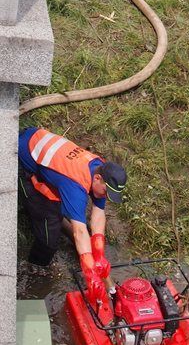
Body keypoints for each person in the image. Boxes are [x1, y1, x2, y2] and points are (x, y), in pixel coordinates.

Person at [18, 126, 127, 304]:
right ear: (98, 179)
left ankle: (59, 218)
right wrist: (90, 272)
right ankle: (35, 268)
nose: (106, 197)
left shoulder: (97, 168)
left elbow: (98, 214)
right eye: (107, 192)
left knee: (61, 208)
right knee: (48, 238)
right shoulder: (75, 186)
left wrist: (98, 251)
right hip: (22, 157)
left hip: (37, 138)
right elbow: (79, 232)